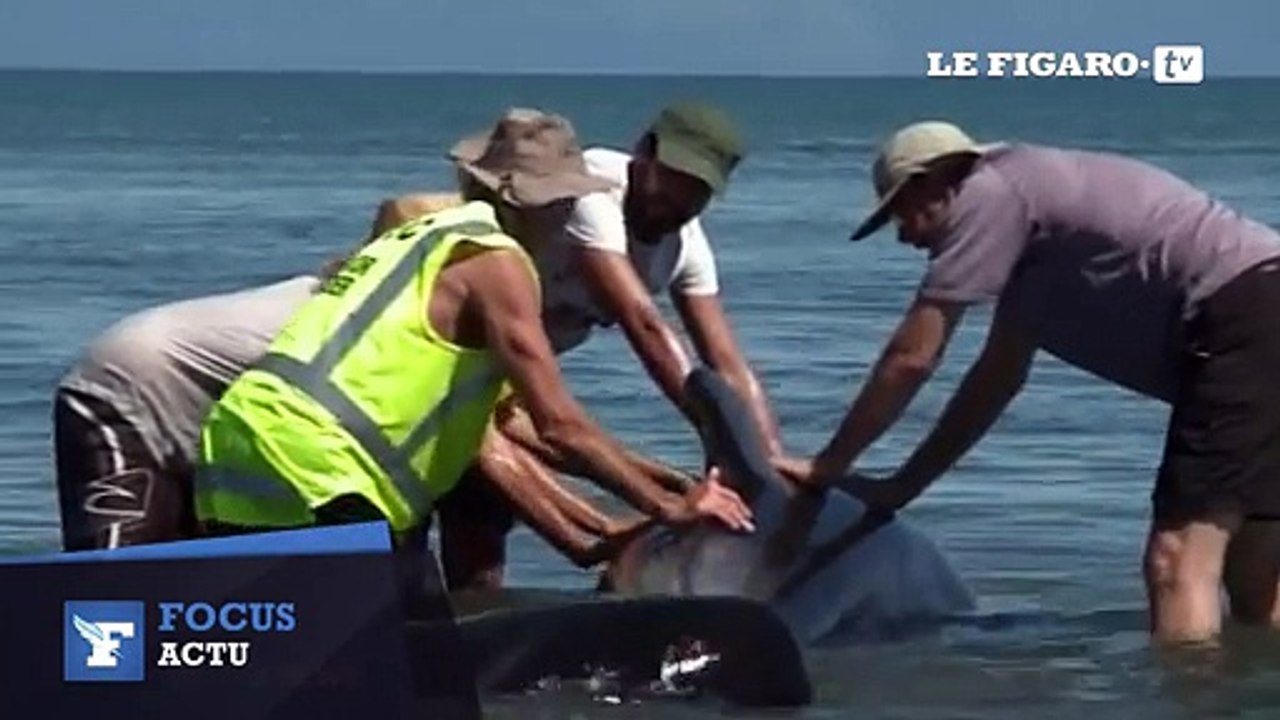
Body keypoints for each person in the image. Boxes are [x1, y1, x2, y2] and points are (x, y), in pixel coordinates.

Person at [774, 120, 1280, 645]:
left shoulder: (985, 194)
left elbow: (911, 358)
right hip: (1262, 312)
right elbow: (993, 384)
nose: (905, 236)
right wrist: (902, 487)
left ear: (931, 184)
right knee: (1254, 576)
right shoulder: (1033, 238)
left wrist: (827, 465)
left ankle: (1191, 703)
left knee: (1178, 559)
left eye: (900, 213)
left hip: (1244, 315)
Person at [193, 110, 755, 565]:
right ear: (528, 202)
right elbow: (560, 426)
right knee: (361, 667)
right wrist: (671, 508)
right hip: (318, 468)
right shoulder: (500, 264)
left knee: (257, 656)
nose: (569, 214)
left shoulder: (422, 233)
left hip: (238, 445)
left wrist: (662, 492)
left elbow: (512, 425)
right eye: (562, 200)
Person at [370, 101, 785, 590]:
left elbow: (726, 360)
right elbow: (643, 322)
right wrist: (698, 448)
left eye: (698, 193)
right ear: (645, 152)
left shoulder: (683, 248)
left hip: (500, 386)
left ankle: (469, 622)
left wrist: (763, 458)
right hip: (437, 367)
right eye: (674, 180)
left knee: (481, 523)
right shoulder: (584, 191)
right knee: (414, 521)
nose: (679, 201)